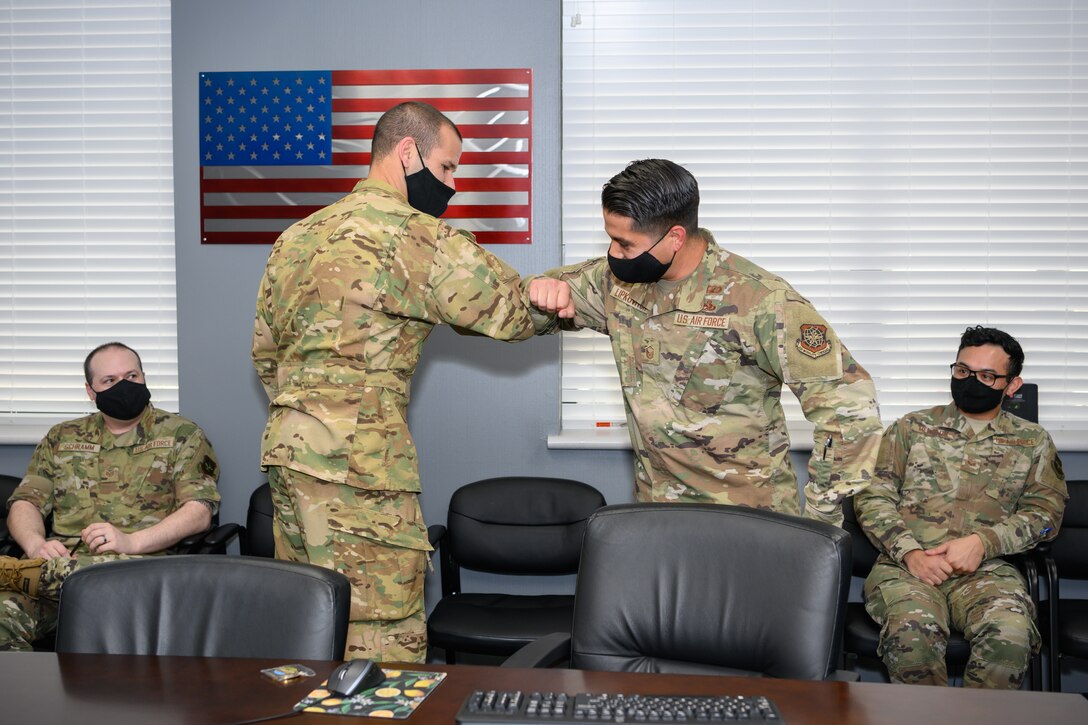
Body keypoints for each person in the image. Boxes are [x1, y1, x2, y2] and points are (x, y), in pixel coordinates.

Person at [251, 101, 570, 663]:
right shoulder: (413, 235)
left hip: (288, 455)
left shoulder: (296, 237)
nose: (451, 184)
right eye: (446, 167)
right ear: (407, 152)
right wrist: (571, 292)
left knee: (308, 625)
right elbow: (511, 311)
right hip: (361, 464)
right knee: (381, 633)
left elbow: (265, 354)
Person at [527, 158, 882, 525]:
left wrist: (821, 517)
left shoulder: (759, 300)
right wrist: (540, 293)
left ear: (675, 238)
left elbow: (850, 408)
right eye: (610, 239)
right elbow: (519, 308)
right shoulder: (616, 285)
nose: (614, 253)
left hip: (751, 525)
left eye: (625, 244)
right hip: (658, 517)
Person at [854, 326, 1066, 688]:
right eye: (963, 371)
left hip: (986, 572)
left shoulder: (1033, 442)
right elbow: (872, 497)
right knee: (913, 632)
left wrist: (984, 542)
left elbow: (1046, 517)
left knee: (1011, 634)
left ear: (1012, 385)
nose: (971, 381)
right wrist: (909, 553)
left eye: (987, 376)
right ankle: (926, 715)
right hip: (907, 568)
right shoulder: (912, 428)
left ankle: (978, 715)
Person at [0, 342, 220, 650]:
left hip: (137, 570)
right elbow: (26, 502)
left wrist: (132, 542)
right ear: (91, 391)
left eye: (131, 376)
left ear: (144, 377)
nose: (124, 386)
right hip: (58, 570)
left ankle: (32, 575)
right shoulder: (62, 437)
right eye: (109, 380)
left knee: (97, 578)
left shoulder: (181, 434)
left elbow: (199, 511)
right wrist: (36, 545)